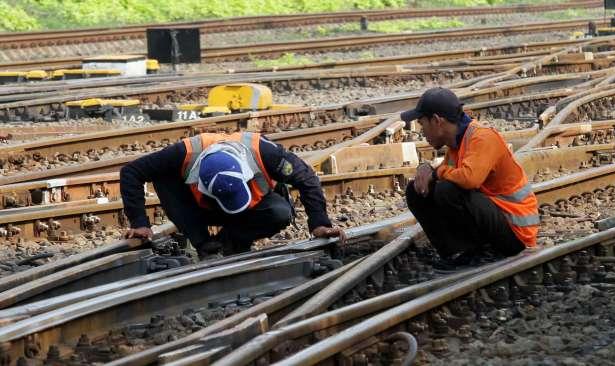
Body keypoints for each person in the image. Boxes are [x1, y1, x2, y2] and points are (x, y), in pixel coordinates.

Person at [120, 131, 345, 259]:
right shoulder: (183, 153)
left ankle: (229, 243)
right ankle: (204, 245)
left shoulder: (265, 152)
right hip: (204, 209)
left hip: (253, 209)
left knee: (280, 212)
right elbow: (131, 171)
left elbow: (307, 178)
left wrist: (319, 223)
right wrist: (139, 222)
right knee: (163, 176)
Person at [400, 87, 539, 266]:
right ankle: (456, 253)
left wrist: (435, 173)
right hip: (497, 221)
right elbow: (445, 173)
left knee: (448, 188)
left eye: (422, 124)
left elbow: (468, 179)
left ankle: (481, 251)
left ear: (436, 121)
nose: (422, 132)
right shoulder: (456, 144)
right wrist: (425, 169)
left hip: (516, 232)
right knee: (416, 190)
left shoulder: (482, 138)